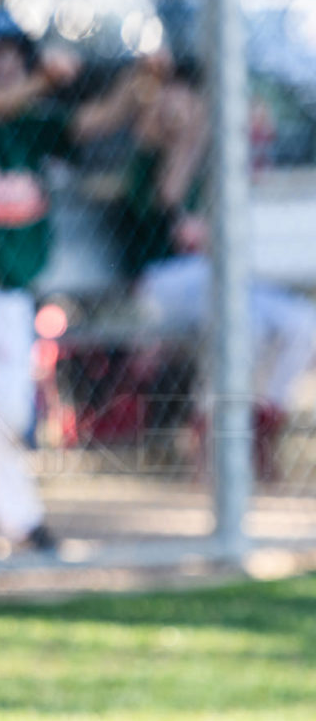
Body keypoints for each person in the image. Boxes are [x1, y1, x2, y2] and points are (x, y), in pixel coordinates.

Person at [0, 5, 132, 558]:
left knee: (13, 409)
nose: (2, 64)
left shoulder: (36, 119)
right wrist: (46, 79)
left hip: (14, 288)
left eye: (11, 52)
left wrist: (139, 82)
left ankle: (18, 516)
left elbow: (94, 121)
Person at [103, 50, 316, 480]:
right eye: (177, 97)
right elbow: (168, 196)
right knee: (244, 325)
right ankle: (210, 437)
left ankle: (261, 424)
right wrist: (196, 126)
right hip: (160, 280)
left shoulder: (215, 159)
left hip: (213, 279)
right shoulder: (150, 151)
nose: (185, 108)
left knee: (304, 322)